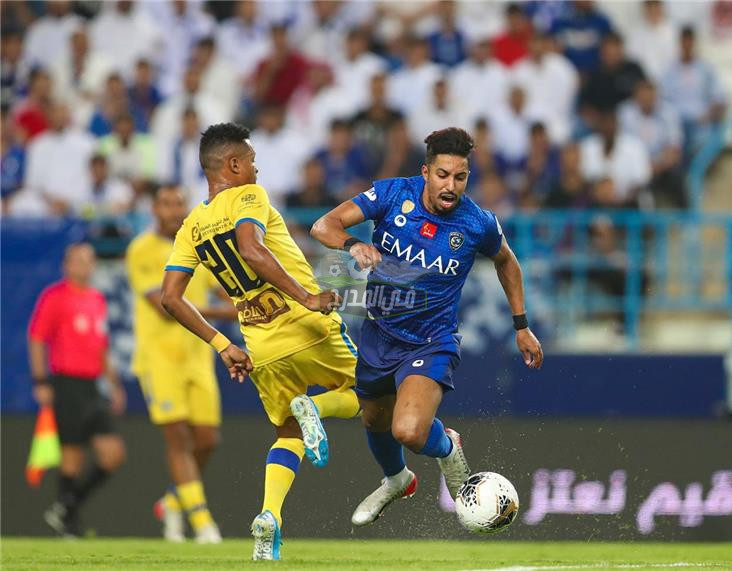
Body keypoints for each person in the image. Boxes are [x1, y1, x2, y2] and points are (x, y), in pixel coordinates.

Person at [310, 127, 543, 526]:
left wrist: (521, 326)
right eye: (442, 175)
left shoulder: (477, 223)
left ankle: (447, 445)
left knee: (409, 431)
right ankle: (396, 479)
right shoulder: (391, 194)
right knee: (374, 421)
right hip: (379, 334)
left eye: (460, 177)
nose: (451, 185)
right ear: (425, 172)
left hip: (430, 342)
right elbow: (323, 225)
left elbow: (507, 261)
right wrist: (354, 245)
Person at [160, 122, 360, 560]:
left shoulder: (191, 225)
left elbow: (170, 298)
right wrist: (308, 296)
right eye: (250, 159)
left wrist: (221, 345)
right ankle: (318, 407)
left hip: (259, 347)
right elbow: (250, 247)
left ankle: (270, 516)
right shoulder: (249, 195)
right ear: (232, 164)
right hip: (307, 326)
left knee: (287, 433)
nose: (256, 166)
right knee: (371, 391)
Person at [126, 186, 236, 543]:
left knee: (207, 439)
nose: (174, 211)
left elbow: (226, 290)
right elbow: (167, 306)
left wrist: (248, 298)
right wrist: (226, 312)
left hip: (198, 355)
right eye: (167, 204)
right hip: (160, 359)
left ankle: (174, 501)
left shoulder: (194, 247)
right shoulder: (141, 250)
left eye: (179, 204)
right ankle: (203, 522)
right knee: (177, 438)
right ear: (153, 209)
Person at [28, 243, 127, 537]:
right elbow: (37, 338)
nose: (84, 266)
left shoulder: (96, 299)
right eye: (77, 261)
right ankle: (67, 521)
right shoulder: (54, 297)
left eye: (88, 260)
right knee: (72, 454)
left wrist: (114, 384)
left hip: (93, 385)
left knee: (113, 453)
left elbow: (101, 346)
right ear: (66, 266)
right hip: (67, 382)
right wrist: (41, 381)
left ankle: (65, 508)